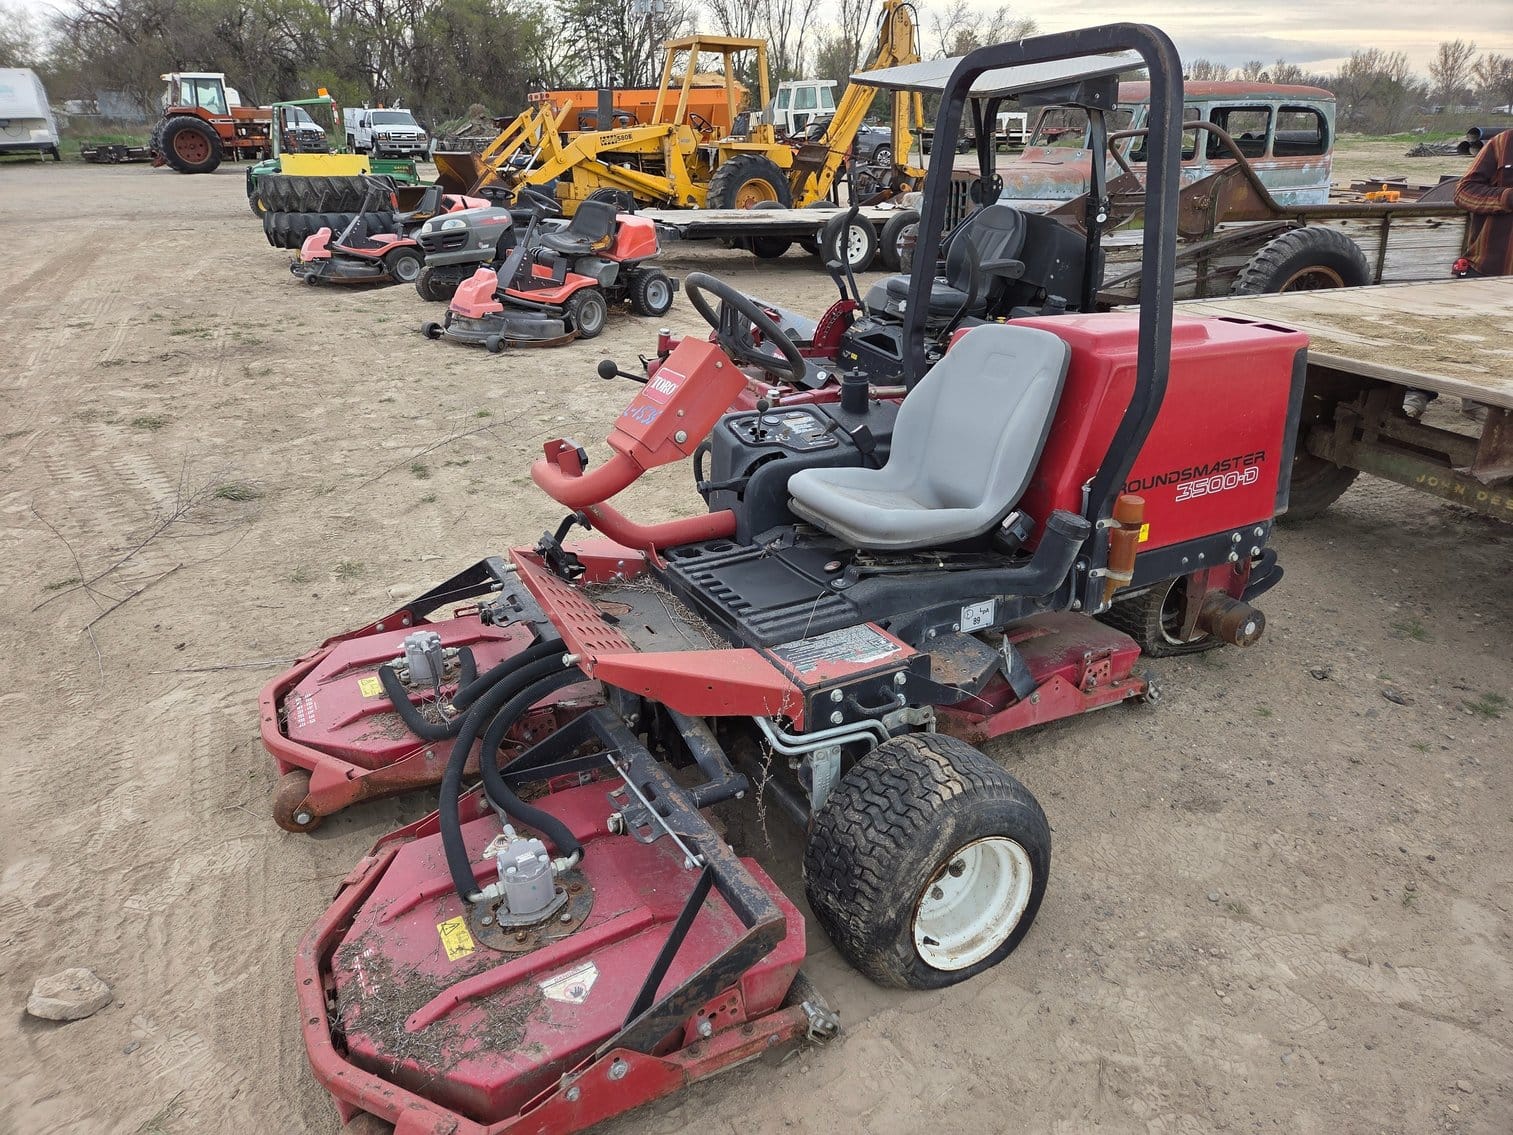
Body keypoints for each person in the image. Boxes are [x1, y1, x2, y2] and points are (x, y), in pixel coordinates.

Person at [1404, 128, 1512, 420]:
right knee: (1451, 334)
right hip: (1489, 266)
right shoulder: (1503, 144)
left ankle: (1481, 400)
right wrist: (1506, 198)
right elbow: (1463, 192)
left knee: (1501, 344)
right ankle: (1418, 392)